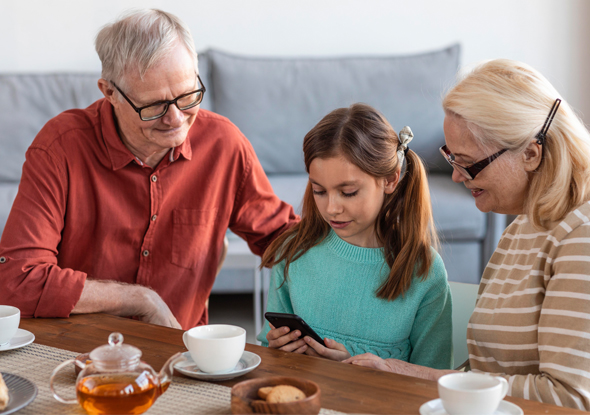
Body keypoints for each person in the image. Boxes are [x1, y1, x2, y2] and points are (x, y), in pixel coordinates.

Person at [0, 9, 297, 330]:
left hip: (179, 352)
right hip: (80, 349)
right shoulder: (61, 147)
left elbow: (283, 240)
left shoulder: (223, 144)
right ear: (109, 92)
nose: (175, 119)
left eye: (187, 96)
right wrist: (141, 299)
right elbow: (17, 280)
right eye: (153, 106)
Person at [345, 59, 590, 410]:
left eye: (467, 162)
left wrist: (423, 376)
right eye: (451, 158)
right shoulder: (525, 225)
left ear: (531, 154)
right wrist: (392, 369)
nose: (458, 177)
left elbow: (569, 399)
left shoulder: (581, 237)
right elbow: (487, 371)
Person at [256, 103, 453, 369]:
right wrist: (276, 350)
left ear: (391, 180)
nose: (331, 208)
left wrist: (353, 373)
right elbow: (266, 355)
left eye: (348, 192)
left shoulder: (423, 271)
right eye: (319, 191)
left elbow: (433, 383)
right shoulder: (293, 252)